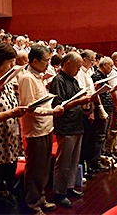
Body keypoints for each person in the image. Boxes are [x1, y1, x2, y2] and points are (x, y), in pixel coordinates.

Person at [0, 42, 28, 214]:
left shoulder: (7, 83)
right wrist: (10, 114)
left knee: (7, 189)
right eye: (10, 62)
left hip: (11, 146)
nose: (12, 66)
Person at [19, 45, 64, 215]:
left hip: (45, 128)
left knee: (44, 170)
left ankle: (41, 198)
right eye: (45, 61)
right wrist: (53, 111)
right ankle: (32, 204)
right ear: (35, 61)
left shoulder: (38, 77)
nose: (48, 64)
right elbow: (30, 108)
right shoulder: (28, 78)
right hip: (36, 131)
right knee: (35, 171)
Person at [50, 52, 91, 208]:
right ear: (67, 63)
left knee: (74, 160)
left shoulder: (73, 80)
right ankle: (59, 193)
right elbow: (60, 106)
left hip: (77, 124)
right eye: (78, 65)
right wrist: (79, 101)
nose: (79, 69)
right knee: (64, 163)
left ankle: (70, 186)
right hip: (65, 126)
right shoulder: (58, 81)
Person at [88, 57, 114, 172]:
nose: (111, 68)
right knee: (100, 135)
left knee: (104, 134)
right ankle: (95, 161)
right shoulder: (97, 77)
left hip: (107, 107)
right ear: (104, 65)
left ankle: (101, 158)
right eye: (110, 66)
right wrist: (100, 108)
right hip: (101, 108)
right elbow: (96, 94)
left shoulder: (104, 77)